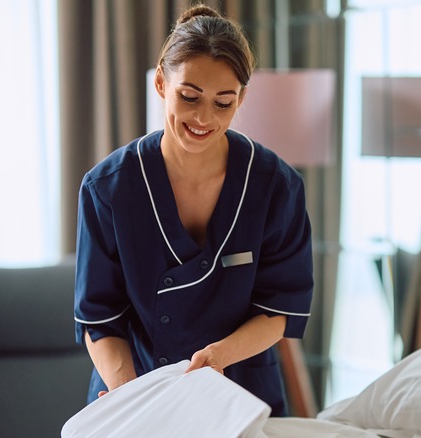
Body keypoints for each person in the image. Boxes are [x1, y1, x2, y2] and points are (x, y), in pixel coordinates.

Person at [72, 4, 314, 417]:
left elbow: (277, 310)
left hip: (239, 388)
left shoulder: (275, 186)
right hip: (136, 382)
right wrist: (132, 397)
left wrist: (219, 356)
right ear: (162, 83)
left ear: (242, 98)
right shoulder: (108, 188)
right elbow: (100, 318)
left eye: (224, 103)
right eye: (190, 97)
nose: (204, 118)